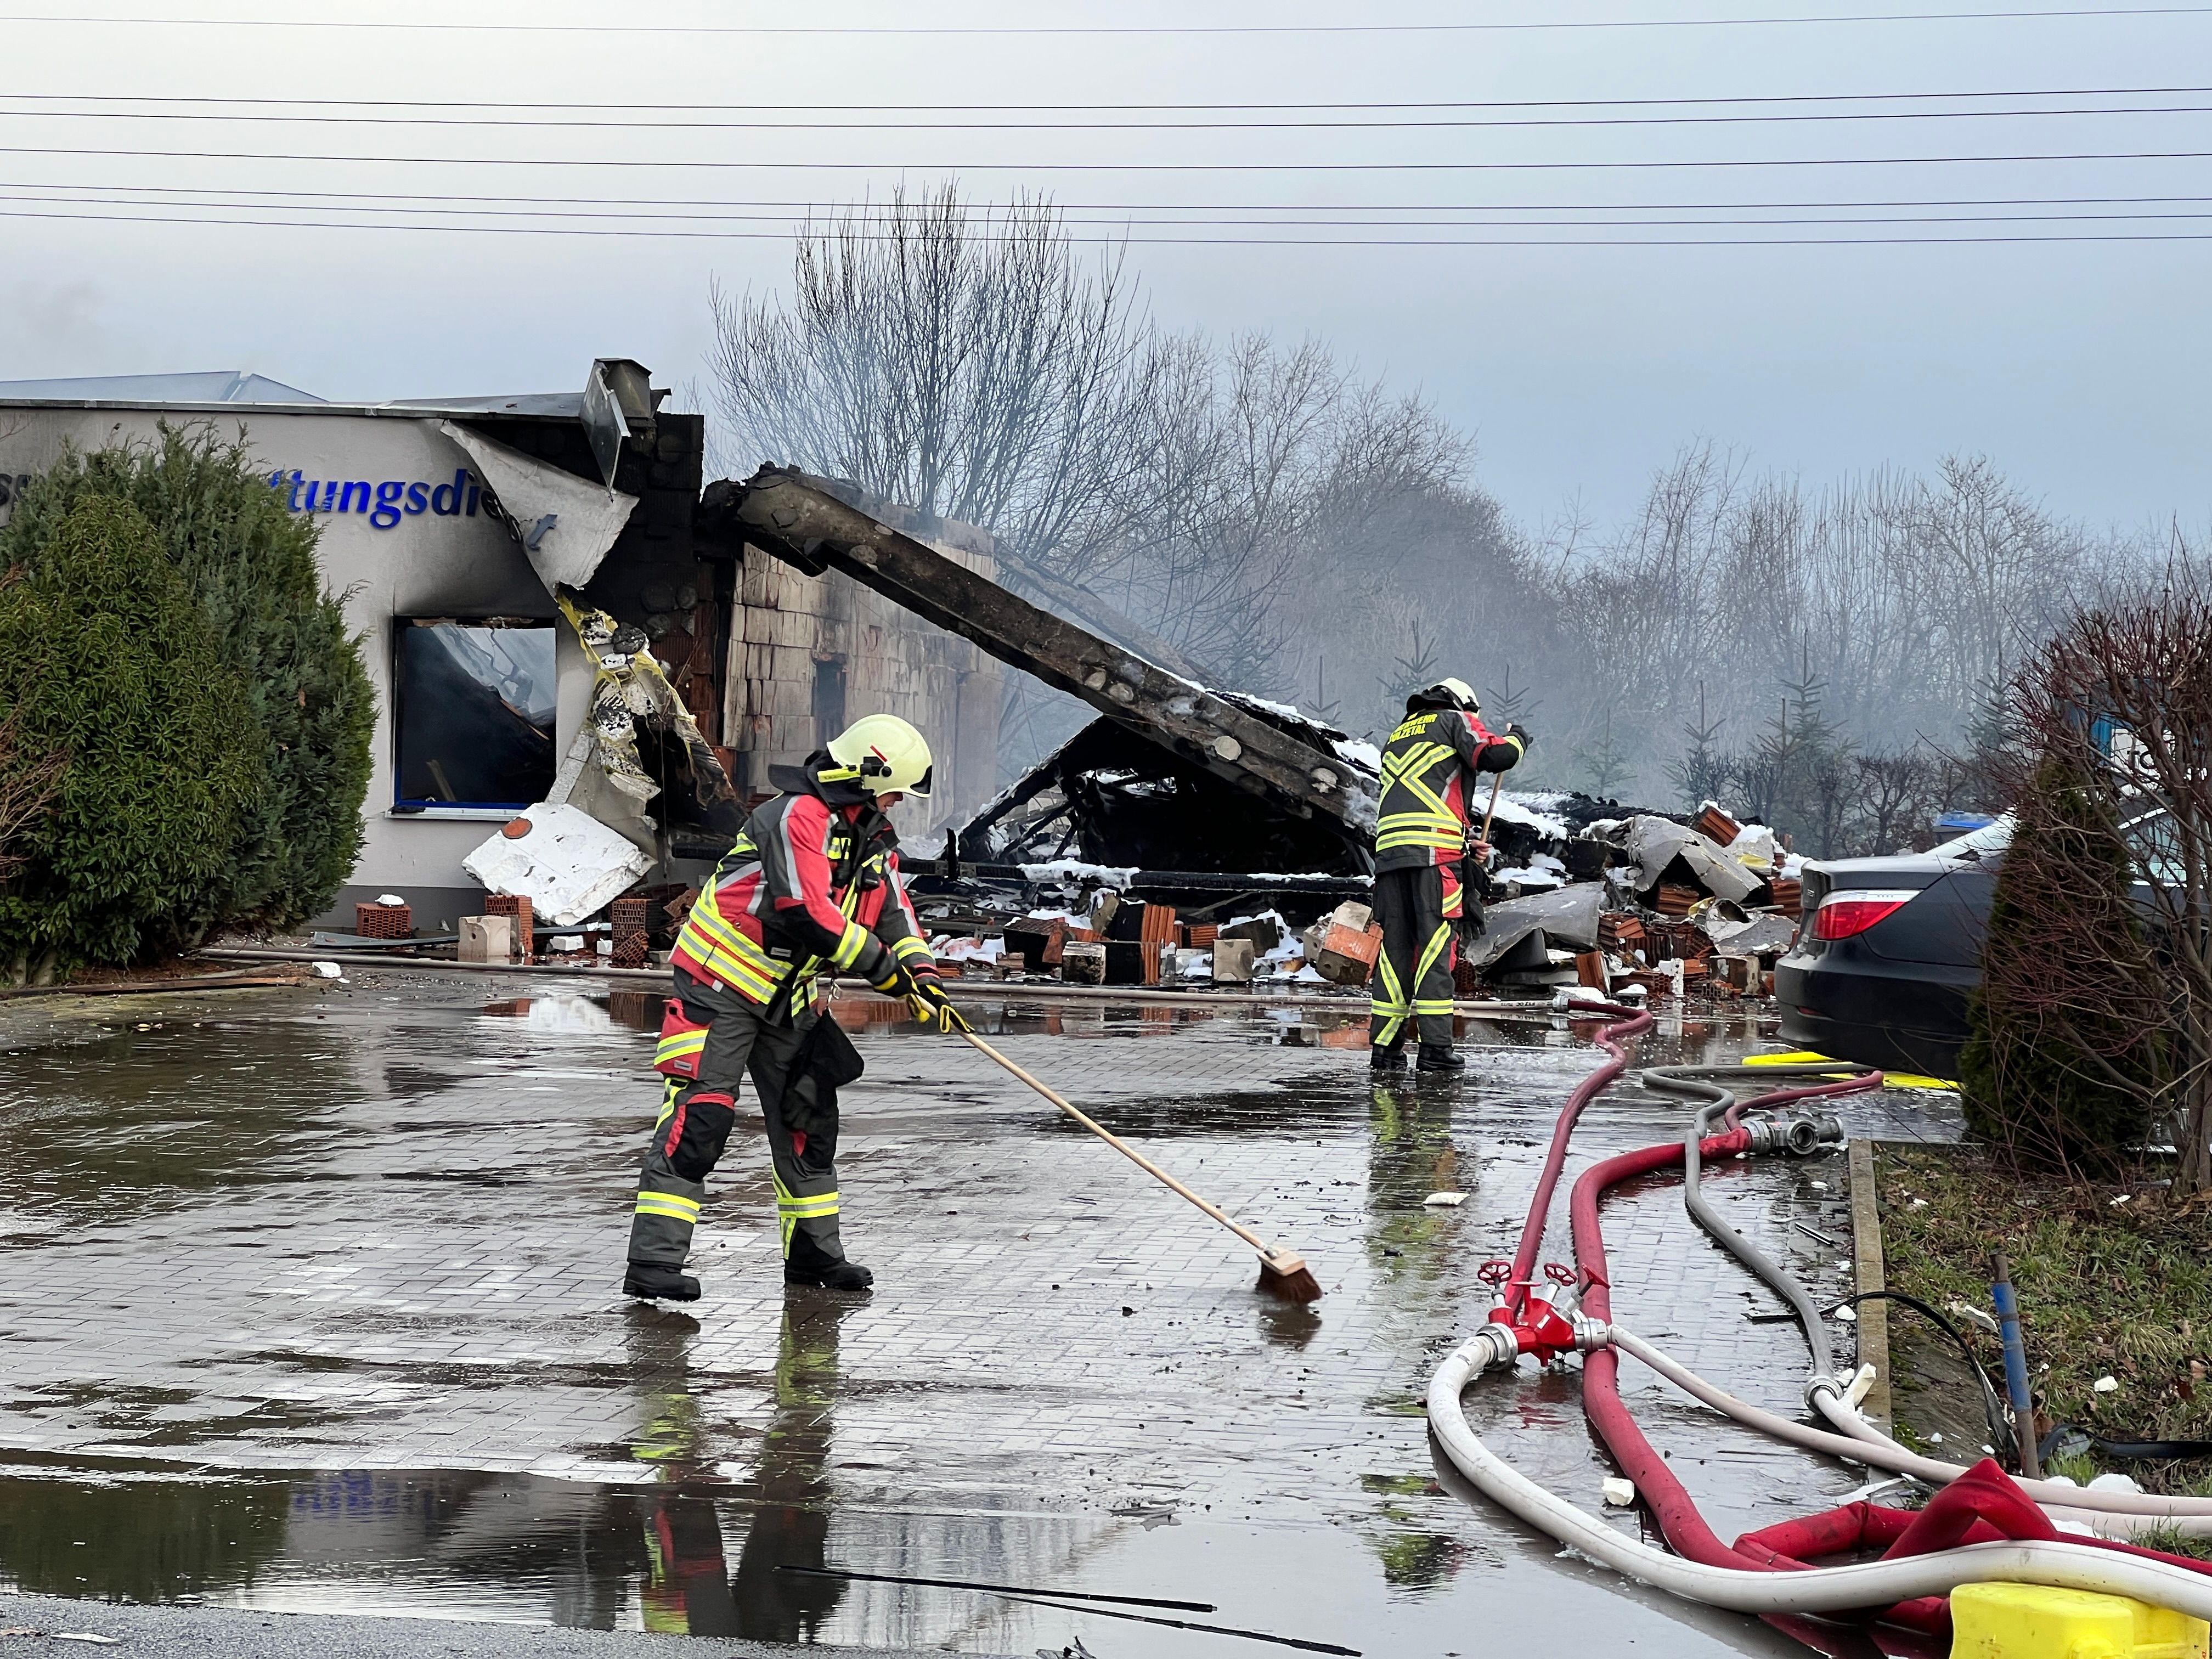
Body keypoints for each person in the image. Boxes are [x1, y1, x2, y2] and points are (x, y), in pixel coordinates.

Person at [623, 714, 966, 1301]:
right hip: (722, 985)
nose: (897, 803)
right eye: (893, 790)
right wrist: (889, 974)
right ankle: (652, 1265)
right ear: (866, 775)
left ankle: (814, 1259)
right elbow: (808, 911)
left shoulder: (871, 835)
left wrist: (924, 975)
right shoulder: (794, 815)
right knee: (701, 1119)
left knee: (810, 1122)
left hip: (791, 998)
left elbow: (893, 912)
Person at [1367, 678, 1528, 1074]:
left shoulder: (1399, 734)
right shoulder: (1455, 719)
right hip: (1433, 862)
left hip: (1391, 859)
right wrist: (1519, 740)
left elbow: (1423, 801)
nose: (1476, 721)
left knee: (1396, 953)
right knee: (1436, 949)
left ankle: (1385, 1050)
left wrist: (1464, 846)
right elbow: (1495, 755)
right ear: (1463, 704)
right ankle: (1436, 1050)